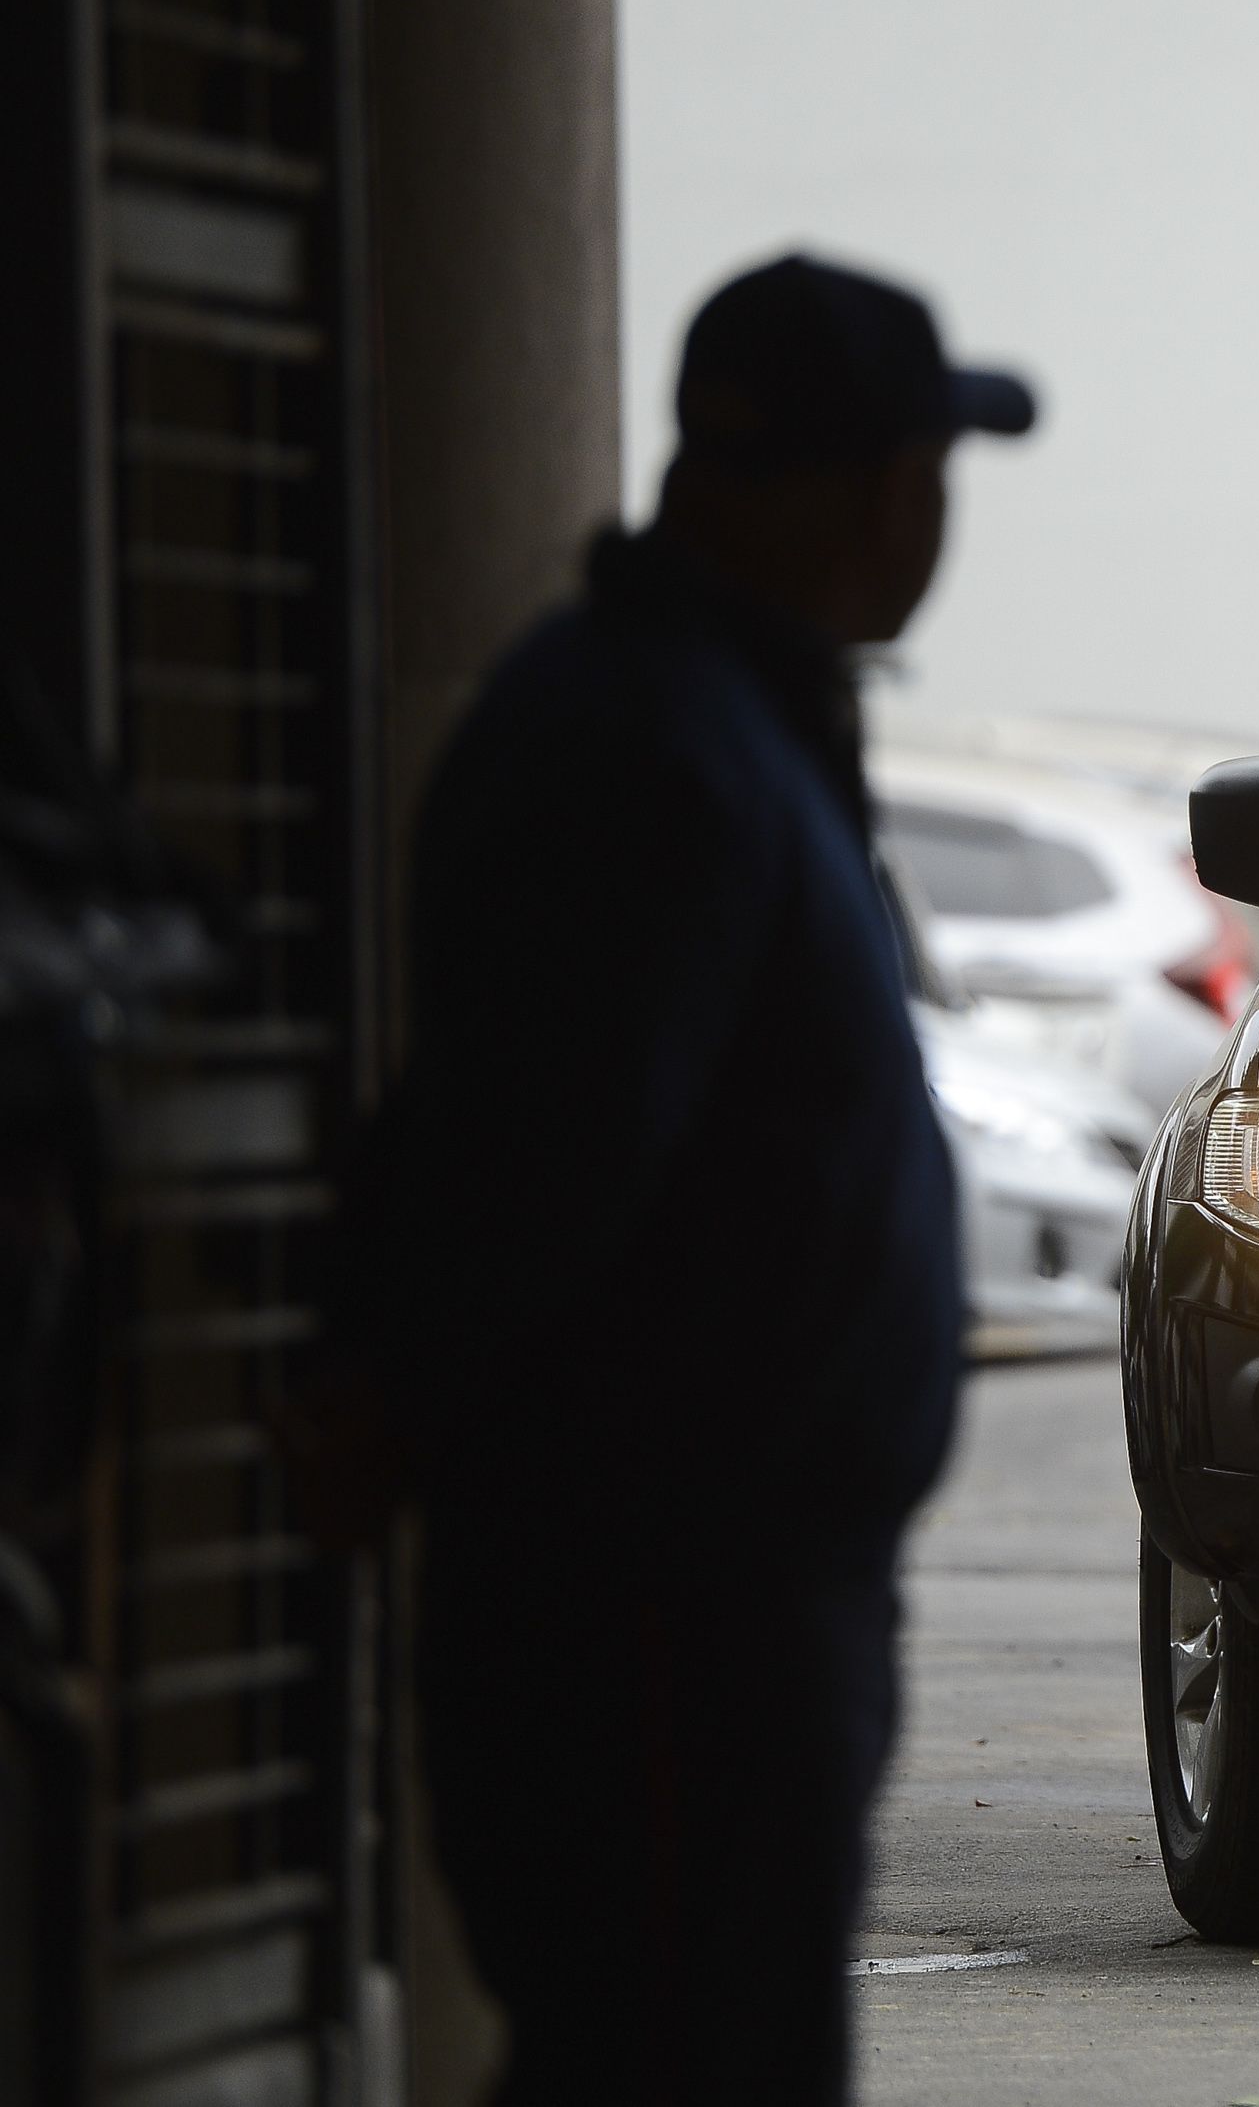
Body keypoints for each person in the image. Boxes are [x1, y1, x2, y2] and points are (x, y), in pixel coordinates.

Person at [342, 253, 1033, 2103]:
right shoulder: (653, 752)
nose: (934, 518)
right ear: (882, 493)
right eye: (927, 477)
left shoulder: (712, 721)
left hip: (723, 1603)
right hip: (661, 1624)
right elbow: (533, 1165)